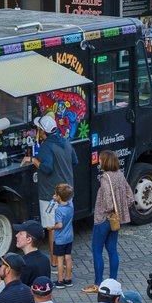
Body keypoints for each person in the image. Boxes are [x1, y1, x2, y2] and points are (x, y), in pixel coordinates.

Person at [23, 112, 78, 262]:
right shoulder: (65, 142)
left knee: (52, 228)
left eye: (39, 129)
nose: (38, 133)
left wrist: (33, 160)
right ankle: (64, 260)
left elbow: (46, 168)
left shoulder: (46, 147)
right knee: (65, 227)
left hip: (51, 195)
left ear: (43, 132)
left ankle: (54, 261)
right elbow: (75, 160)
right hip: (68, 194)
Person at [85, 151, 133, 290]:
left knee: (97, 250)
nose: (99, 162)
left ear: (105, 161)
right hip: (115, 221)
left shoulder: (105, 178)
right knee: (112, 249)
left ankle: (98, 283)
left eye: (100, 160)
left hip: (103, 219)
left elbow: (108, 203)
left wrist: (108, 210)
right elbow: (130, 196)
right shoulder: (120, 175)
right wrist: (121, 209)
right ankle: (113, 281)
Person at [12, 220, 51, 288]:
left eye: (20, 233)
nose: (16, 235)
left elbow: (18, 290)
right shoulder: (45, 259)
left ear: (29, 240)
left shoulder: (23, 264)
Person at [50, 183, 75, 288]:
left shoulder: (59, 210)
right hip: (69, 237)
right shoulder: (70, 205)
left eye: (56, 194)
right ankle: (68, 279)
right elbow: (67, 198)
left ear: (59, 197)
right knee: (68, 258)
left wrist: (51, 227)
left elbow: (59, 225)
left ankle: (60, 281)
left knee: (60, 259)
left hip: (60, 239)